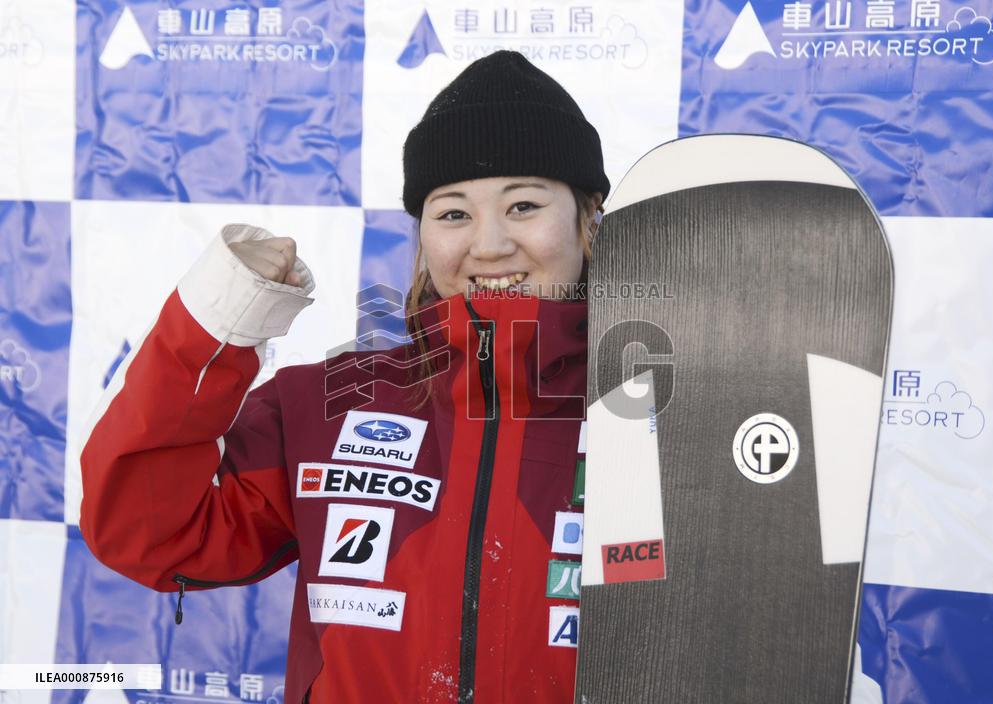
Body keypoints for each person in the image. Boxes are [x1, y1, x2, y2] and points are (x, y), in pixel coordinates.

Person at [80, 50, 609, 703]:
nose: (490, 243)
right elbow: (147, 532)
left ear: (589, 220)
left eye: (524, 205)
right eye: (453, 213)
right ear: (422, 234)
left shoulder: (655, 410)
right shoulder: (325, 405)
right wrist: (217, 320)